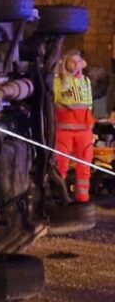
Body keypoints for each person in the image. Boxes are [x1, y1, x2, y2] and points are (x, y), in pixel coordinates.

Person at [54, 49, 95, 203]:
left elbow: (88, 104)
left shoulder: (86, 81)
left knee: (84, 167)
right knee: (60, 166)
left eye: (79, 61)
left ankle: (83, 198)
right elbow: (60, 101)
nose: (77, 64)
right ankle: (60, 198)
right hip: (64, 131)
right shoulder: (58, 81)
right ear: (66, 63)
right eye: (73, 61)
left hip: (84, 130)